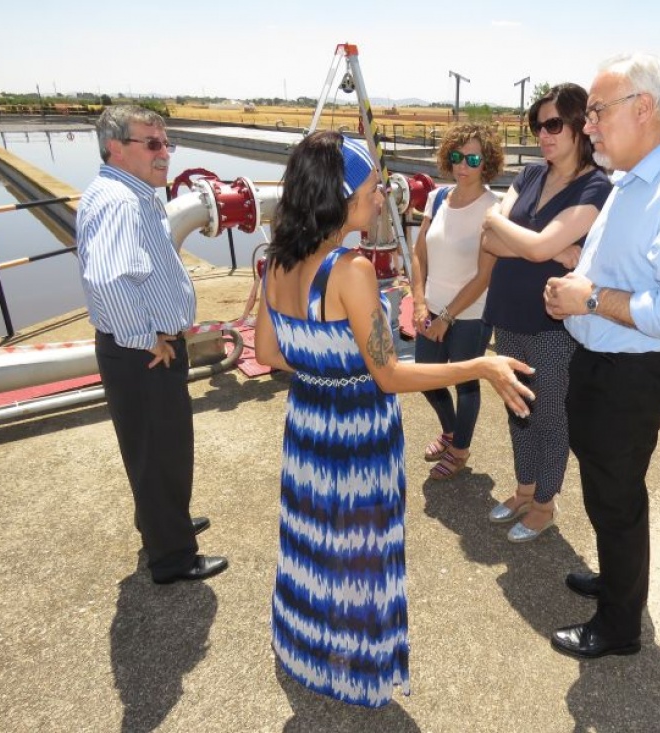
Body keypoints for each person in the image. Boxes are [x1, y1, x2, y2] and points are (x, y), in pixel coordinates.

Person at [251, 131, 536, 707]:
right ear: (341, 195)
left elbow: (269, 353)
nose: (382, 196)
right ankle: (357, 669)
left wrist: (322, 365)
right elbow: (389, 375)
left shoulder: (277, 258)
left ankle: (306, 645)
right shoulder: (350, 269)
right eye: (372, 187)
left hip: (308, 422)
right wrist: (478, 364)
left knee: (314, 541)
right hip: (357, 431)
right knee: (360, 551)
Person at [542, 54, 660, 659]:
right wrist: (579, 282)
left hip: (633, 372)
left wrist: (592, 297)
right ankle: (616, 578)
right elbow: (629, 270)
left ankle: (619, 625)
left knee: (617, 495)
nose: (589, 125)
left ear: (643, 108)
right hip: (605, 363)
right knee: (607, 489)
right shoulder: (636, 176)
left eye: (597, 111)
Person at [76, 105, 229, 584]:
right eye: (153, 144)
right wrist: (147, 339)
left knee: (155, 449)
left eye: (167, 143)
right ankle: (172, 556)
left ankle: (165, 524)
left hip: (143, 347)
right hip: (143, 352)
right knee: (162, 451)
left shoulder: (131, 194)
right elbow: (107, 280)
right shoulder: (120, 200)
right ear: (116, 148)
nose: (165, 154)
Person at [480, 83, 613, 542]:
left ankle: (545, 504)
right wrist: (549, 249)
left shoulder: (595, 186)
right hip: (509, 311)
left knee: (549, 414)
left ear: (579, 126)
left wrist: (513, 230)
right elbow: (491, 240)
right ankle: (523, 489)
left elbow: (526, 242)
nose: (544, 134)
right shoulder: (531, 174)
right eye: (538, 125)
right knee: (517, 408)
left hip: (552, 322)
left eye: (554, 124)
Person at [408, 123, 503, 481]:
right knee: (426, 377)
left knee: (465, 381)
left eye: (473, 158)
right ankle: (450, 432)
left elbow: (484, 275)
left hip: (471, 314)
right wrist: (419, 303)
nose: (463, 165)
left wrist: (446, 316)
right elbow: (419, 252)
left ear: (487, 162)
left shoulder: (494, 209)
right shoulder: (437, 197)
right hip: (431, 306)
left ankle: (460, 449)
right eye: (456, 156)